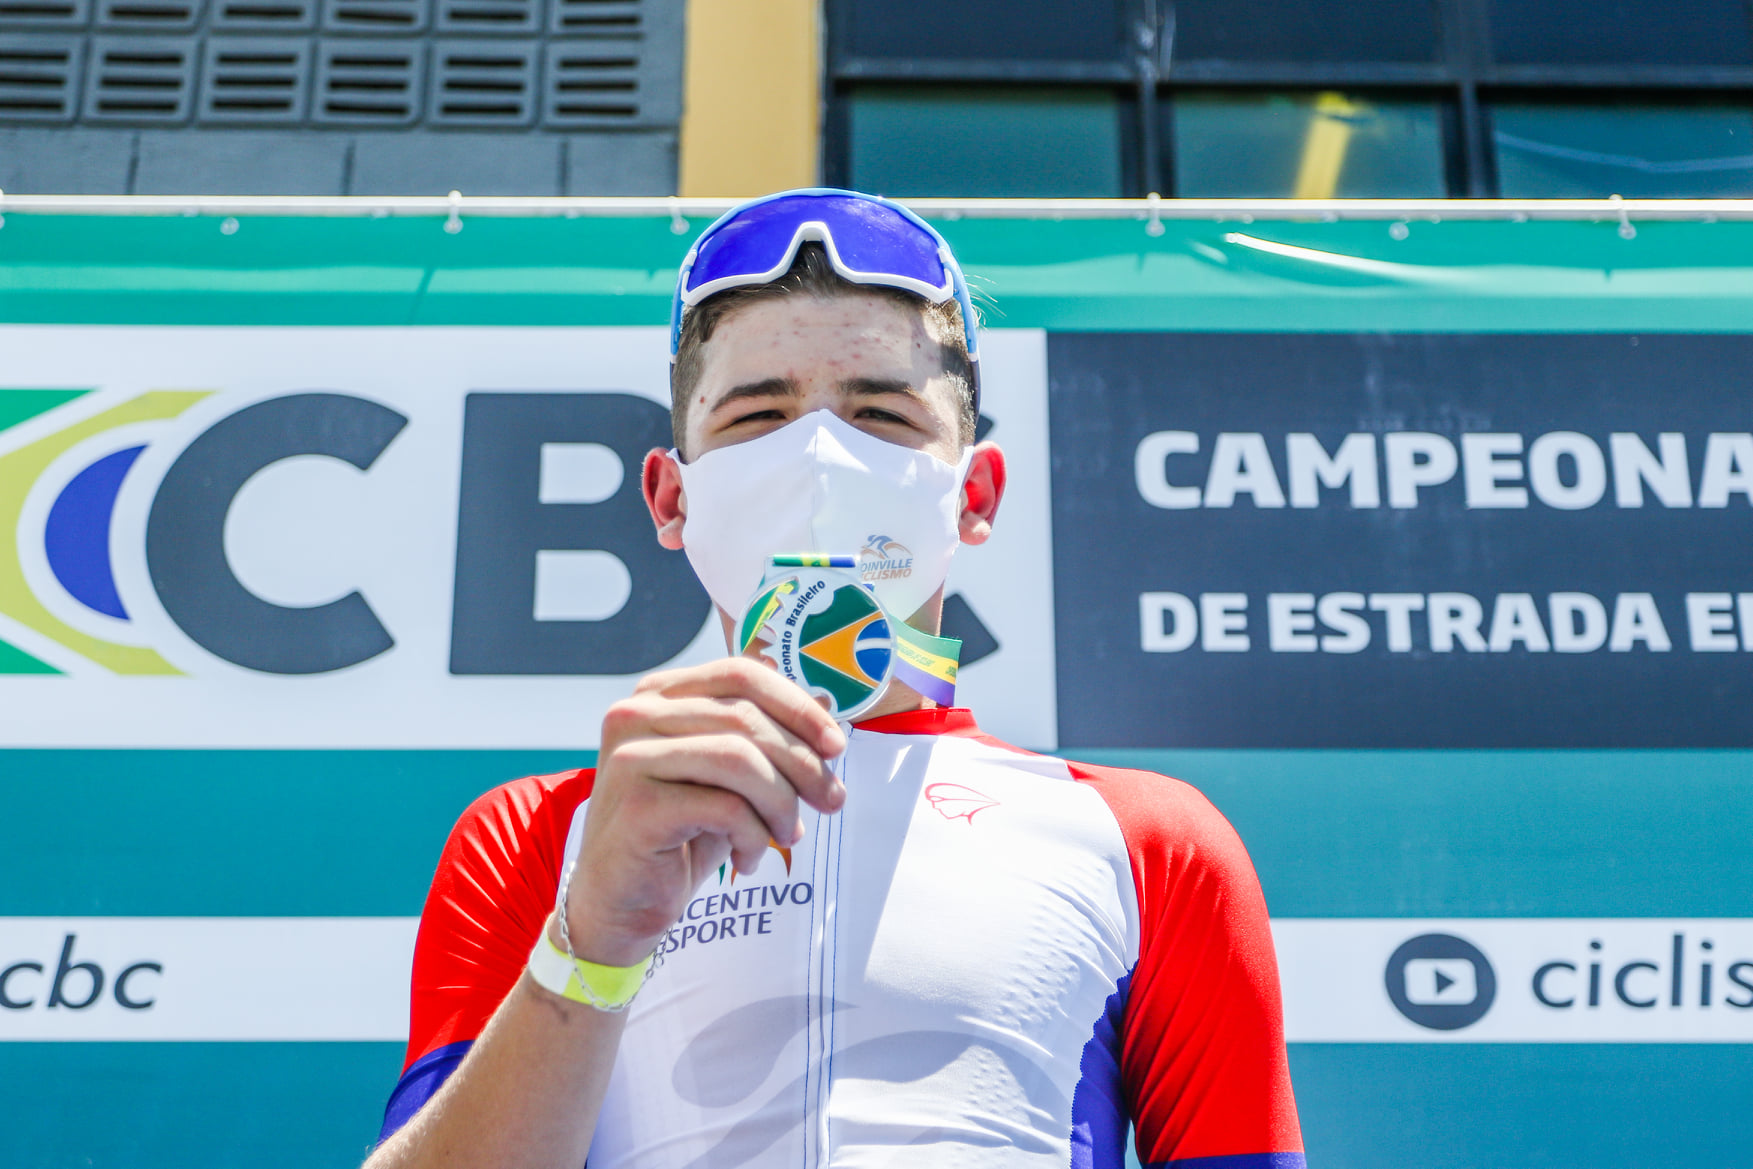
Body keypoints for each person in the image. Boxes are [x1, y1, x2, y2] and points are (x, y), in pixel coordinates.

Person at [365, 189, 1304, 1169]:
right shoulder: (537, 837)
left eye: (879, 414)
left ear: (973, 495)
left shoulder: (1149, 842)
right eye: (759, 412)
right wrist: (588, 942)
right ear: (670, 496)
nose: (818, 456)